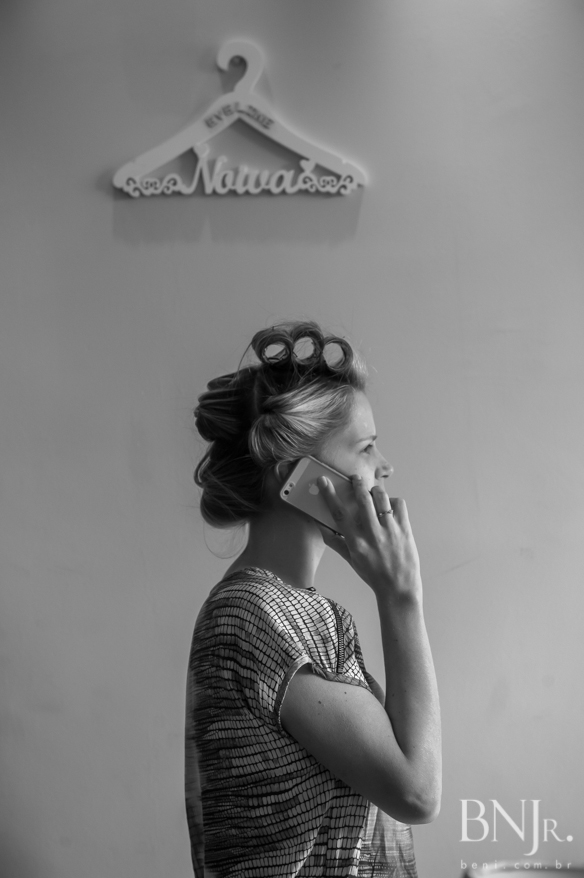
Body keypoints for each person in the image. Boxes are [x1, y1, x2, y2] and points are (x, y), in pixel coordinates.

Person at [185, 320, 441, 878]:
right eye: (366, 447)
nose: (385, 466)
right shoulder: (252, 615)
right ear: (298, 478)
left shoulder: (301, 612)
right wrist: (402, 597)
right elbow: (417, 791)